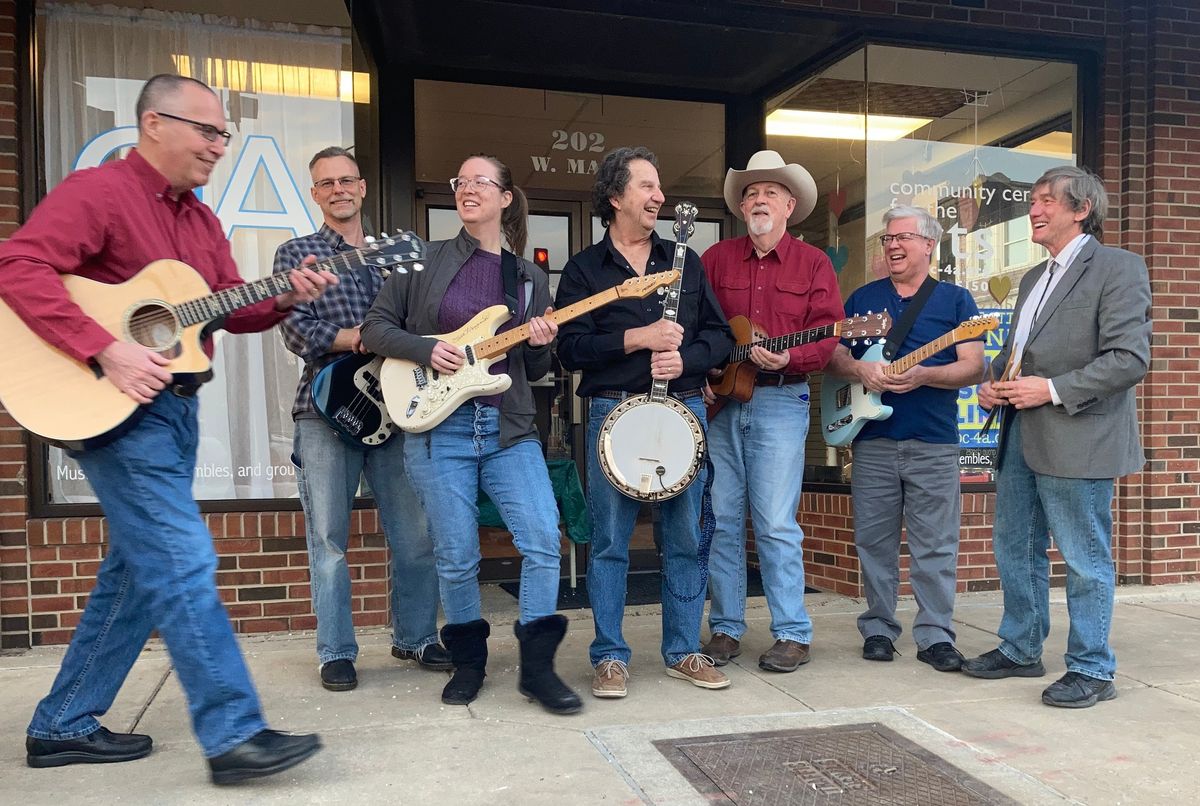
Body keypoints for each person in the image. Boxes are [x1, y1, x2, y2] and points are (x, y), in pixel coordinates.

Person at [0, 74, 331, 783]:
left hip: (175, 409)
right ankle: (234, 734)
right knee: (183, 561)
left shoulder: (202, 221)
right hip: (117, 411)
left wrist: (283, 296)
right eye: (207, 131)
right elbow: (18, 265)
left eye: (223, 135)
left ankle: (62, 722)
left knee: (135, 573)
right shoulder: (100, 194)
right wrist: (105, 346)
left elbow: (221, 311)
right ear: (154, 123)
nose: (219, 146)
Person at [360, 154, 581, 715]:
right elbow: (374, 328)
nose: (467, 189)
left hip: (508, 428)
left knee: (541, 538)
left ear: (506, 198)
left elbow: (532, 374)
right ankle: (469, 663)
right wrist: (423, 347)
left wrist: (542, 343)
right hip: (440, 429)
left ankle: (537, 669)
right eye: (459, 181)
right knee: (456, 556)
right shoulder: (424, 261)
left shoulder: (529, 278)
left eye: (481, 181)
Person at [962, 166, 1151, 708]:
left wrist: (1050, 389)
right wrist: (993, 384)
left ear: (1082, 208)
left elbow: (1128, 359)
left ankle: (1093, 669)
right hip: (1021, 434)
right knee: (1014, 548)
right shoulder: (1032, 278)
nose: (1034, 210)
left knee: (1084, 556)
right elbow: (1020, 354)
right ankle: (1021, 647)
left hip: (1080, 435)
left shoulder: (1118, 268)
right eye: (1032, 201)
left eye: (1046, 200)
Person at [555, 146, 734, 698]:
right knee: (609, 541)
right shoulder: (586, 269)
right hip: (614, 411)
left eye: (660, 189)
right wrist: (637, 338)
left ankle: (683, 650)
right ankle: (609, 656)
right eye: (647, 187)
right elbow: (569, 348)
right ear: (615, 197)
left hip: (683, 409)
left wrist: (688, 359)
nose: (659, 197)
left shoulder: (686, 260)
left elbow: (722, 337)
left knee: (684, 535)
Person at [274, 146, 449, 692]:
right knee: (328, 539)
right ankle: (336, 651)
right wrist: (363, 338)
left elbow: (425, 319)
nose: (338, 190)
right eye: (326, 183)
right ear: (315, 193)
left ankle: (416, 636)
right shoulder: (296, 254)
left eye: (347, 180)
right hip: (323, 409)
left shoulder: (400, 253)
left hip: (396, 410)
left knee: (416, 535)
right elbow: (296, 331)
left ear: (364, 187)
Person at [699, 150, 844, 673]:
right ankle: (726, 628)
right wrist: (707, 377)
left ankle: (791, 632)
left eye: (770, 193)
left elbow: (829, 335)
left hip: (782, 398)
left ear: (789, 206)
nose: (759, 199)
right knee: (724, 520)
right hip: (722, 403)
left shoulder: (814, 264)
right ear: (742, 206)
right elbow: (699, 331)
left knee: (776, 522)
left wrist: (790, 356)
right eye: (751, 193)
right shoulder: (714, 259)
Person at [826, 205, 984, 671]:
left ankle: (935, 635)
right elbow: (834, 355)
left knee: (935, 544)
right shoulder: (862, 298)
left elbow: (974, 365)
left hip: (934, 440)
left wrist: (924, 376)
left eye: (903, 238)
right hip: (872, 439)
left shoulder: (956, 301)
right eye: (887, 238)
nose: (892, 245)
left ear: (929, 245)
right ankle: (878, 628)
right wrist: (859, 368)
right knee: (873, 542)